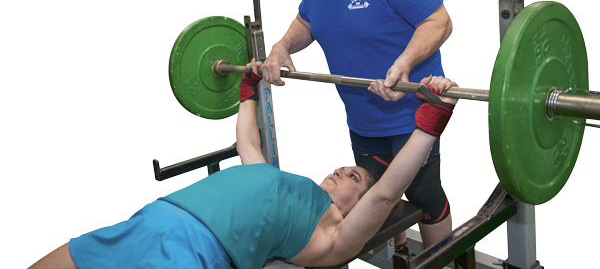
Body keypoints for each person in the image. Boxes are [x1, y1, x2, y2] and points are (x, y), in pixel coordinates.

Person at [28, 60, 458, 269]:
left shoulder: (332, 234)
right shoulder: (276, 177)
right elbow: (245, 141)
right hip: (150, 218)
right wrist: (248, 88)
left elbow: (386, 193)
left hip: (194, 251)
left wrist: (430, 122)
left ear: (355, 205)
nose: (339, 170)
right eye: (346, 166)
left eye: (352, 176)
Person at [260, 0, 453, 255]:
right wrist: (282, 45)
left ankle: (440, 263)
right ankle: (400, 255)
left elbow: (440, 21)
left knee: (424, 194)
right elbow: (307, 19)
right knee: (374, 198)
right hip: (363, 121)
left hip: (413, 116)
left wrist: (405, 63)